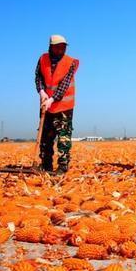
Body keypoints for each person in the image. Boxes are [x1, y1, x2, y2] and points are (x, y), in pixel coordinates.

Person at [34, 35, 80, 174]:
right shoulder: (43, 59)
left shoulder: (70, 62)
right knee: (46, 137)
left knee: (64, 137)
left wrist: (52, 99)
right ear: (51, 47)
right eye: (58, 46)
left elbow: (64, 85)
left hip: (64, 106)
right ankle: (46, 164)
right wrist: (41, 92)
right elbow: (38, 76)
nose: (61, 49)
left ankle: (62, 166)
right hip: (46, 104)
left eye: (63, 47)